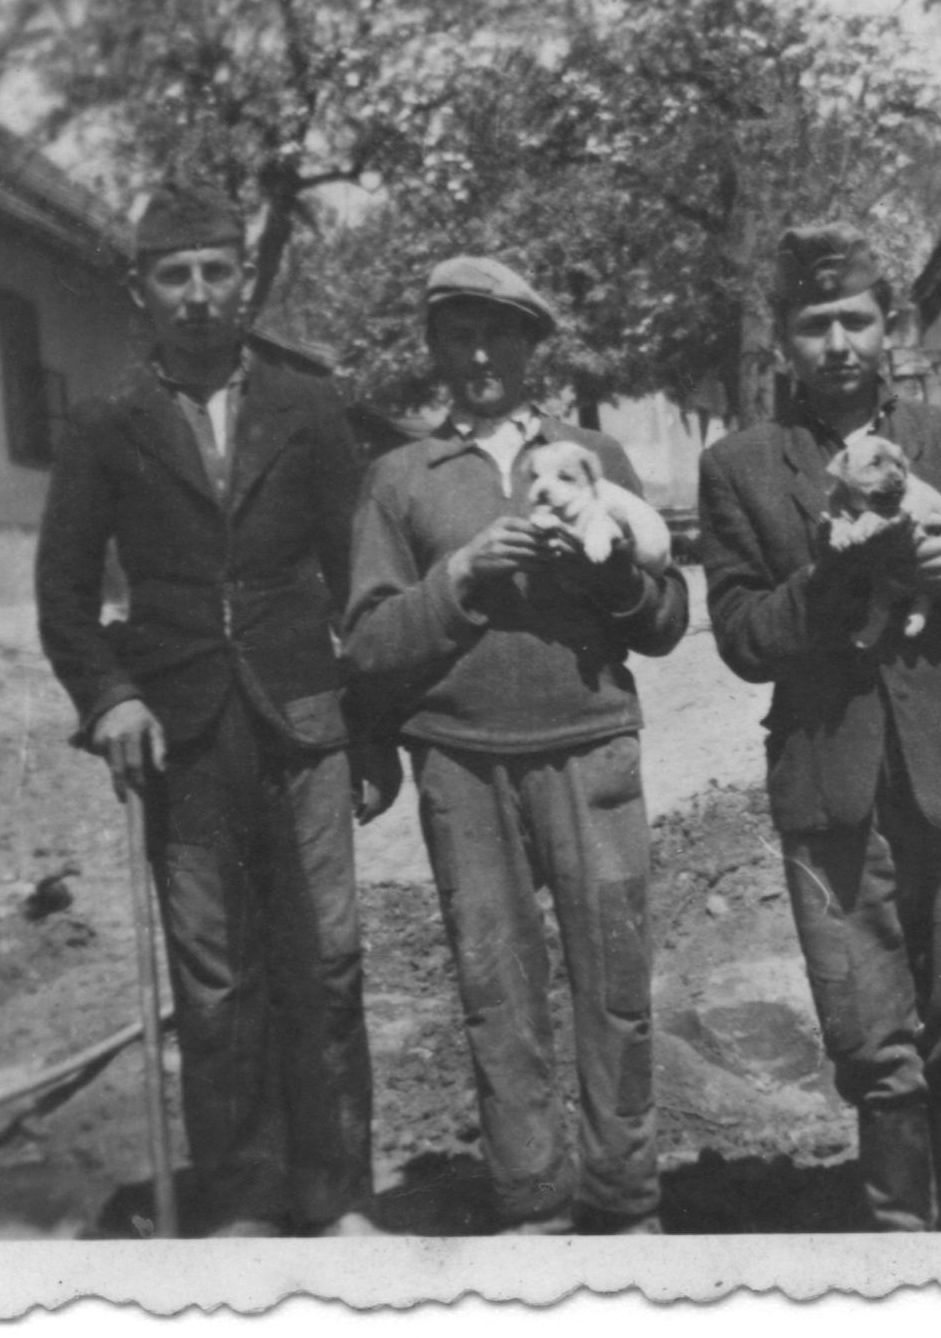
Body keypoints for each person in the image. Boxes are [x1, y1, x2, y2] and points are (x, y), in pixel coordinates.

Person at [35, 186, 387, 1237]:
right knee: (215, 973)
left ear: (244, 280)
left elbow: (358, 581)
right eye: (173, 274)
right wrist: (111, 697)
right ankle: (242, 1198)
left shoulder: (311, 407)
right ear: (140, 290)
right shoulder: (105, 424)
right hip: (179, 735)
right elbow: (62, 597)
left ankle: (334, 1193)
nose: (196, 294)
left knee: (325, 959)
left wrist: (370, 730)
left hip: (306, 720)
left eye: (214, 271)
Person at [342, 255, 688, 1236]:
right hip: (459, 759)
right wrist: (460, 576)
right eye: (459, 334)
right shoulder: (400, 477)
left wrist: (611, 574)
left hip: (590, 747)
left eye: (501, 333)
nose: (481, 354)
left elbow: (666, 618)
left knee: (614, 985)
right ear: (433, 347)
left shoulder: (593, 455)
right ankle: (531, 1203)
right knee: (497, 990)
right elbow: (367, 646)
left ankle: (625, 1201)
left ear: (534, 346)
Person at [698, 225, 941, 1232]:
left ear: (892, 326)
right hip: (829, 780)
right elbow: (743, 637)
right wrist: (830, 573)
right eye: (814, 324)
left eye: (856, 319)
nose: (838, 343)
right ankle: (897, 1242)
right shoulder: (740, 467)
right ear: (781, 341)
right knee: (867, 1025)